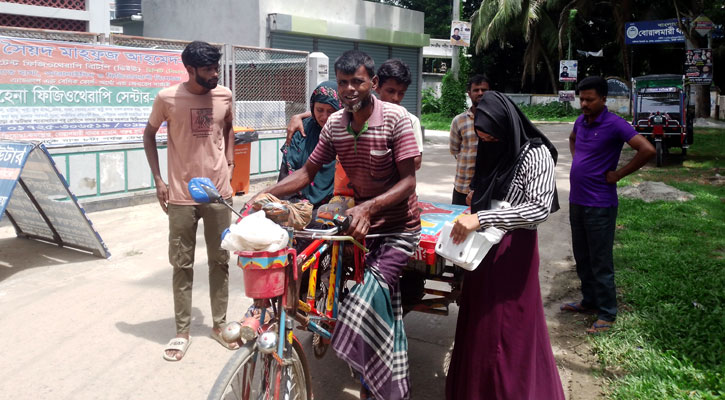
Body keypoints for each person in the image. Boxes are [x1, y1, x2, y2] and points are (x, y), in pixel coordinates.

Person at [252, 50, 420, 400]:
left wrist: (370, 208)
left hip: (397, 230)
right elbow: (306, 173)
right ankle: (377, 384)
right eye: (342, 82)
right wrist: (264, 194)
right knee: (344, 300)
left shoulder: (397, 119)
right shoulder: (335, 125)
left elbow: (408, 182)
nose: (348, 89)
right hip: (359, 229)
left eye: (356, 81)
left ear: (372, 83)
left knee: (358, 305)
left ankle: (382, 385)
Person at [445, 90, 565, 399]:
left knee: (507, 326)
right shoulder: (493, 149)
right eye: (483, 140)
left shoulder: (535, 155)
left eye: (493, 140)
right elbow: (486, 185)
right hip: (482, 250)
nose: (489, 145)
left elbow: (538, 208)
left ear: (506, 128)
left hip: (514, 251)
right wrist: (478, 200)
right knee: (479, 324)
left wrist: (482, 217)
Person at [143, 41, 237, 361]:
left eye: (215, 68)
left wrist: (232, 166)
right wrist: (158, 179)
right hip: (181, 196)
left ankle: (219, 324)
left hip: (218, 194)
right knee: (181, 264)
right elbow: (148, 134)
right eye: (208, 69)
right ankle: (182, 330)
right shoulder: (167, 98)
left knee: (220, 261)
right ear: (190, 70)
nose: (214, 74)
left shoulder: (224, 95)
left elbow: (228, 128)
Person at [561, 76, 655, 334]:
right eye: (581, 99)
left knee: (600, 260)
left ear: (604, 99)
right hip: (577, 200)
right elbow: (572, 138)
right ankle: (589, 301)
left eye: (590, 99)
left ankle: (607, 314)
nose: (584, 104)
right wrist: (578, 159)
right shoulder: (580, 121)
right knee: (582, 257)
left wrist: (618, 174)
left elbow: (647, 149)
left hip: (600, 204)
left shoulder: (615, 124)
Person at [286, 59, 424, 170]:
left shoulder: (406, 120)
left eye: (401, 93)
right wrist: (300, 116)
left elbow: (415, 164)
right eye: (390, 91)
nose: (395, 98)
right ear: (376, 86)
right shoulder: (347, 119)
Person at [278, 80, 342, 207]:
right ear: (312, 108)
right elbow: (285, 180)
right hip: (298, 207)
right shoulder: (301, 133)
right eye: (319, 110)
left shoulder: (347, 134)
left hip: (335, 209)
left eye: (331, 111)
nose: (324, 117)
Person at [449, 74, 490, 205]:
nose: (480, 93)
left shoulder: (497, 119)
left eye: (484, 90)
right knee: (457, 222)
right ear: (469, 93)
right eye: (476, 90)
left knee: (484, 224)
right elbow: (454, 150)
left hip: (488, 188)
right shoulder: (459, 120)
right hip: (462, 186)